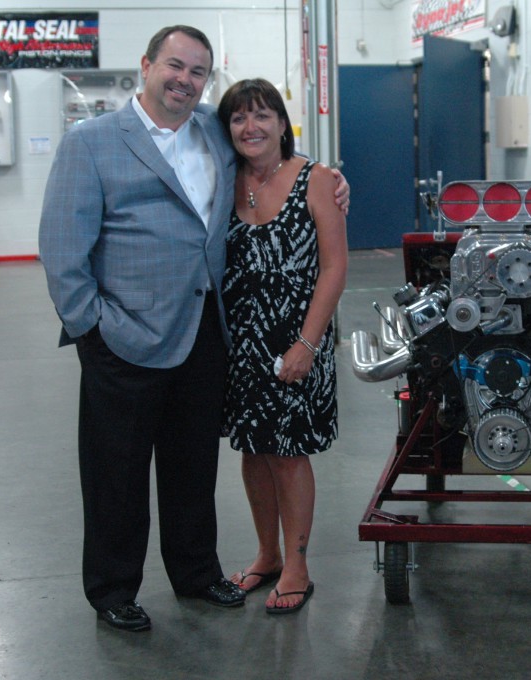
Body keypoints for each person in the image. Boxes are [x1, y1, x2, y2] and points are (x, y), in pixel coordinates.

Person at [38, 27, 348, 632]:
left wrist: (333, 177)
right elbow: (61, 249)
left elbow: (273, 151)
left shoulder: (214, 130)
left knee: (192, 466)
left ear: (207, 81)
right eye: (174, 67)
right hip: (122, 338)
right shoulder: (92, 143)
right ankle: (113, 589)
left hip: (207, 334)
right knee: (116, 472)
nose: (184, 80)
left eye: (198, 72)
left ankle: (196, 571)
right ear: (147, 64)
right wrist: (90, 330)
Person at [218, 79, 348, 614]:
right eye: (239, 119)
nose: (251, 128)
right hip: (241, 339)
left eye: (262, 116)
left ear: (281, 122)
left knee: (289, 452)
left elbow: (335, 267)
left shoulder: (316, 179)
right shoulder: (226, 181)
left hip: (297, 338)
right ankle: (267, 555)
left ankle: (297, 565)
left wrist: (307, 345)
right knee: (253, 448)